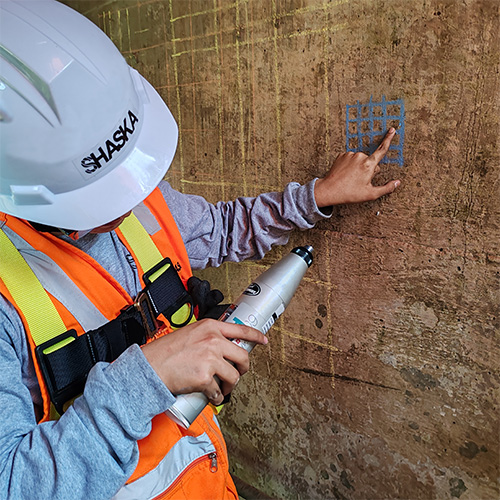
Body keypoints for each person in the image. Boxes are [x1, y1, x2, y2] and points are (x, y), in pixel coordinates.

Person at [0, 1, 400, 499]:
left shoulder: (138, 196)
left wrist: (315, 197)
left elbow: (220, 228)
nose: (125, 203)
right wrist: (146, 376)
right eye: (94, 197)